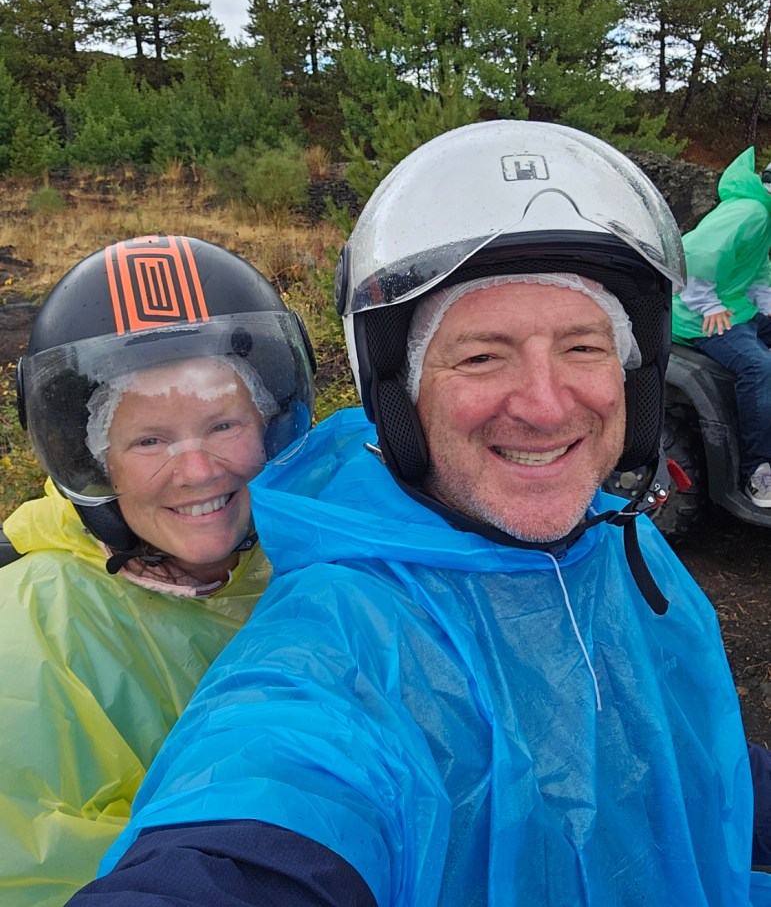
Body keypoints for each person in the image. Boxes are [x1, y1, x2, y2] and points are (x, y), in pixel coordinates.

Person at [66, 124, 771, 906]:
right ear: (400, 395)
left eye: (582, 347)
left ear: (632, 377)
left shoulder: (623, 549)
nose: (545, 405)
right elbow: (262, 816)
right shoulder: (343, 634)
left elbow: (690, 757)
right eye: (481, 355)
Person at [0, 234, 315, 907]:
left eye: (224, 425)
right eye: (149, 440)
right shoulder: (33, 630)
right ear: (96, 463)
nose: (197, 470)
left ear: (271, 427)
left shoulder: (323, 565)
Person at [671, 146, 771, 508]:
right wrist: (707, 303)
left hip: (735, 306)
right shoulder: (750, 211)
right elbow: (695, 253)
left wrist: (767, 307)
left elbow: (755, 269)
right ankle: (758, 470)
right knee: (758, 366)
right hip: (699, 314)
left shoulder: (764, 215)